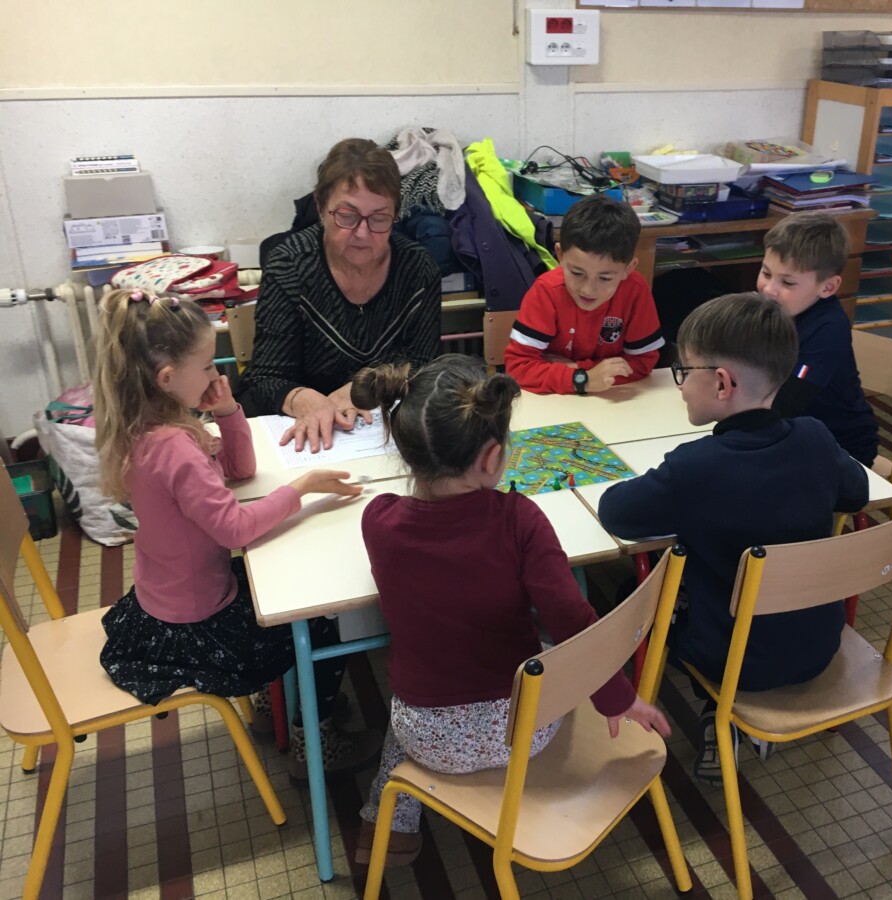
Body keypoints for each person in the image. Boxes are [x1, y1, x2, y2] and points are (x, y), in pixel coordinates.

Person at [350, 354, 670, 866]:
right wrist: (617, 699)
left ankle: (388, 823)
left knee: (406, 708)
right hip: (524, 732)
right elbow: (574, 623)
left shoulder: (377, 519)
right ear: (493, 457)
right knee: (544, 652)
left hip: (426, 738)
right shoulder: (520, 519)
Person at [93, 289, 381, 781]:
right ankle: (317, 742)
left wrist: (228, 411)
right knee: (320, 620)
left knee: (282, 580)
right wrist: (302, 488)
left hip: (171, 597)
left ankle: (275, 707)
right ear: (167, 378)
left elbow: (239, 471)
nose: (216, 374)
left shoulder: (153, 426)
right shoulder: (174, 448)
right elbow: (235, 527)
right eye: (207, 366)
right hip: (196, 623)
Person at [597, 293, 868, 782]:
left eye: (684, 372)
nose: (681, 385)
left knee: (624, 593)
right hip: (819, 645)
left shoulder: (695, 468)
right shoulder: (815, 438)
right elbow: (857, 492)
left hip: (732, 660)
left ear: (722, 383)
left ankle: (708, 711)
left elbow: (615, 512)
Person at [238, 137, 442, 452]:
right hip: (309, 438)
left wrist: (369, 386)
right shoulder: (289, 265)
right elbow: (265, 377)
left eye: (379, 218)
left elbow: (425, 365)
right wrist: (302, 399)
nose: (362, 233)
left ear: (395, 215)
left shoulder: (418, 269)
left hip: (387, 434)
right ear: (322, 207)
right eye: (347, 216)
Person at [505, 194, 664, 395]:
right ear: (560, 255)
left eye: (605, 278)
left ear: (628, 269)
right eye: (577, 273)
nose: (588, 289)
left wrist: (580, 371)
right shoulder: (546, 291)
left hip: (611, 402)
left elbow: (644, 362)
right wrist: (585, 379)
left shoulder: (635, 290)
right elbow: (518, 367)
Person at [757, 212, 879, 466]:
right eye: (766, 273)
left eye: (788, 282)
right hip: (789, 433)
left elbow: (789, 400)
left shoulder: (828, 328)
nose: (769, 289)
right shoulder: (776, 307)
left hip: (840, 448)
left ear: (828, 287)